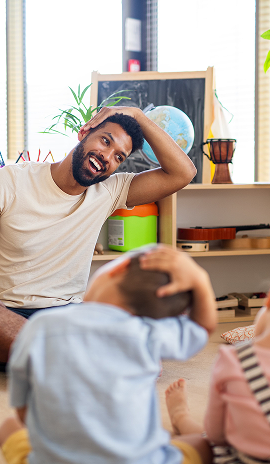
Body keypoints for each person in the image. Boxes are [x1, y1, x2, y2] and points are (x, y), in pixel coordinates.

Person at [0, 106, 197, 363]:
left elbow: (183, 173)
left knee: (157, 321)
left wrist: (137, 115)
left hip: (66, 316)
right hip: (9, 311)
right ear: (85, 132)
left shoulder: (110, 191)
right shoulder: (12, 181)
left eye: (119, 157)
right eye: (106, 141)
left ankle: (65, 355)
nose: (107, 157)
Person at [0, 245, 217, 464]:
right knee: (205, 444)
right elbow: (204, 329)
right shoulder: (149, 335)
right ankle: (181, 417)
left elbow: (23, 413)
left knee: (9, 426)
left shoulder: (39, 327)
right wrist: (201, 280)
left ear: (118, 268)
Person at [165, 294, 270, 464]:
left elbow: (216, 434)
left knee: (195, 442)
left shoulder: (233, 360)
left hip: (239, 458)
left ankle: (180, 417)